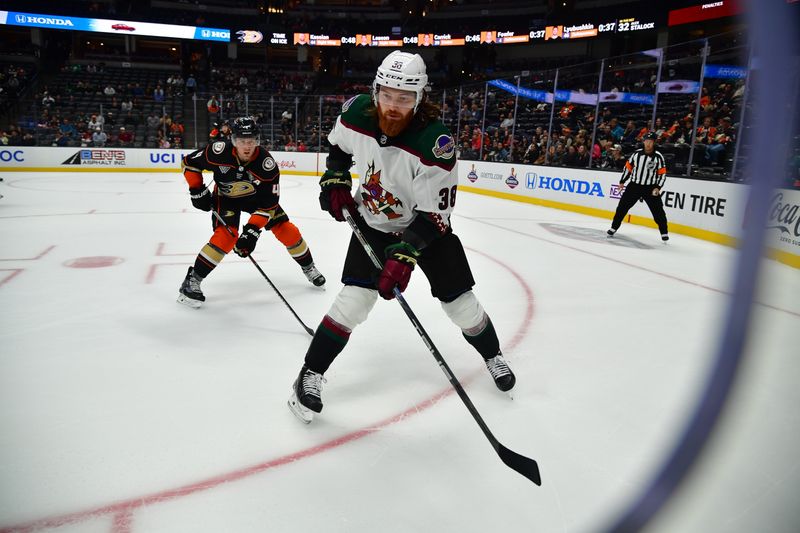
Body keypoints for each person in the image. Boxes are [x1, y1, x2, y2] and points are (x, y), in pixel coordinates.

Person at [288, 50, 515, 423]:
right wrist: (336, 180)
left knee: (461, 305)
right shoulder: (356, 113)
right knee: (353, 302)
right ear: (376, 90)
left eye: (405, 98)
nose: (393, 105)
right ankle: (309, 374)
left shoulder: (434, 143)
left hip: (425, 232)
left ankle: (492, 355)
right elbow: (338, 150)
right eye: (388, 95)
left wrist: (405, 254)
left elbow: (435, 215)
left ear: (420, 98)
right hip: (374, 225)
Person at [178, 116, 326, 308]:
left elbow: (269, 204)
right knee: (227, 236)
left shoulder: (267, 165)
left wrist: (252, 231)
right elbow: (189, 163)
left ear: (257, 140)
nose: (246, 146)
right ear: (233, 140)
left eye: (251, 141)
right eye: (241, 141)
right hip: (226, 198)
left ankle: (309, 267)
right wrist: (197, 190)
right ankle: (192, 281)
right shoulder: (218, 151)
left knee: (286, 229)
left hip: (256, 199)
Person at [607, 131, 669, 241]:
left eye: (651, 142)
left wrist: (657, 187)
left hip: (650, 188)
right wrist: (622, 181)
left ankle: (664, 232)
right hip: (634, 186)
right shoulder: (636, 154)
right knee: (622, 208)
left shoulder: (658, 157)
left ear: (654, 143)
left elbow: (662, 174)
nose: (648, 144)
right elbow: (628, 168)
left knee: (658, 211)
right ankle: (613, 227)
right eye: (647, 141)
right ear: (644, 142)